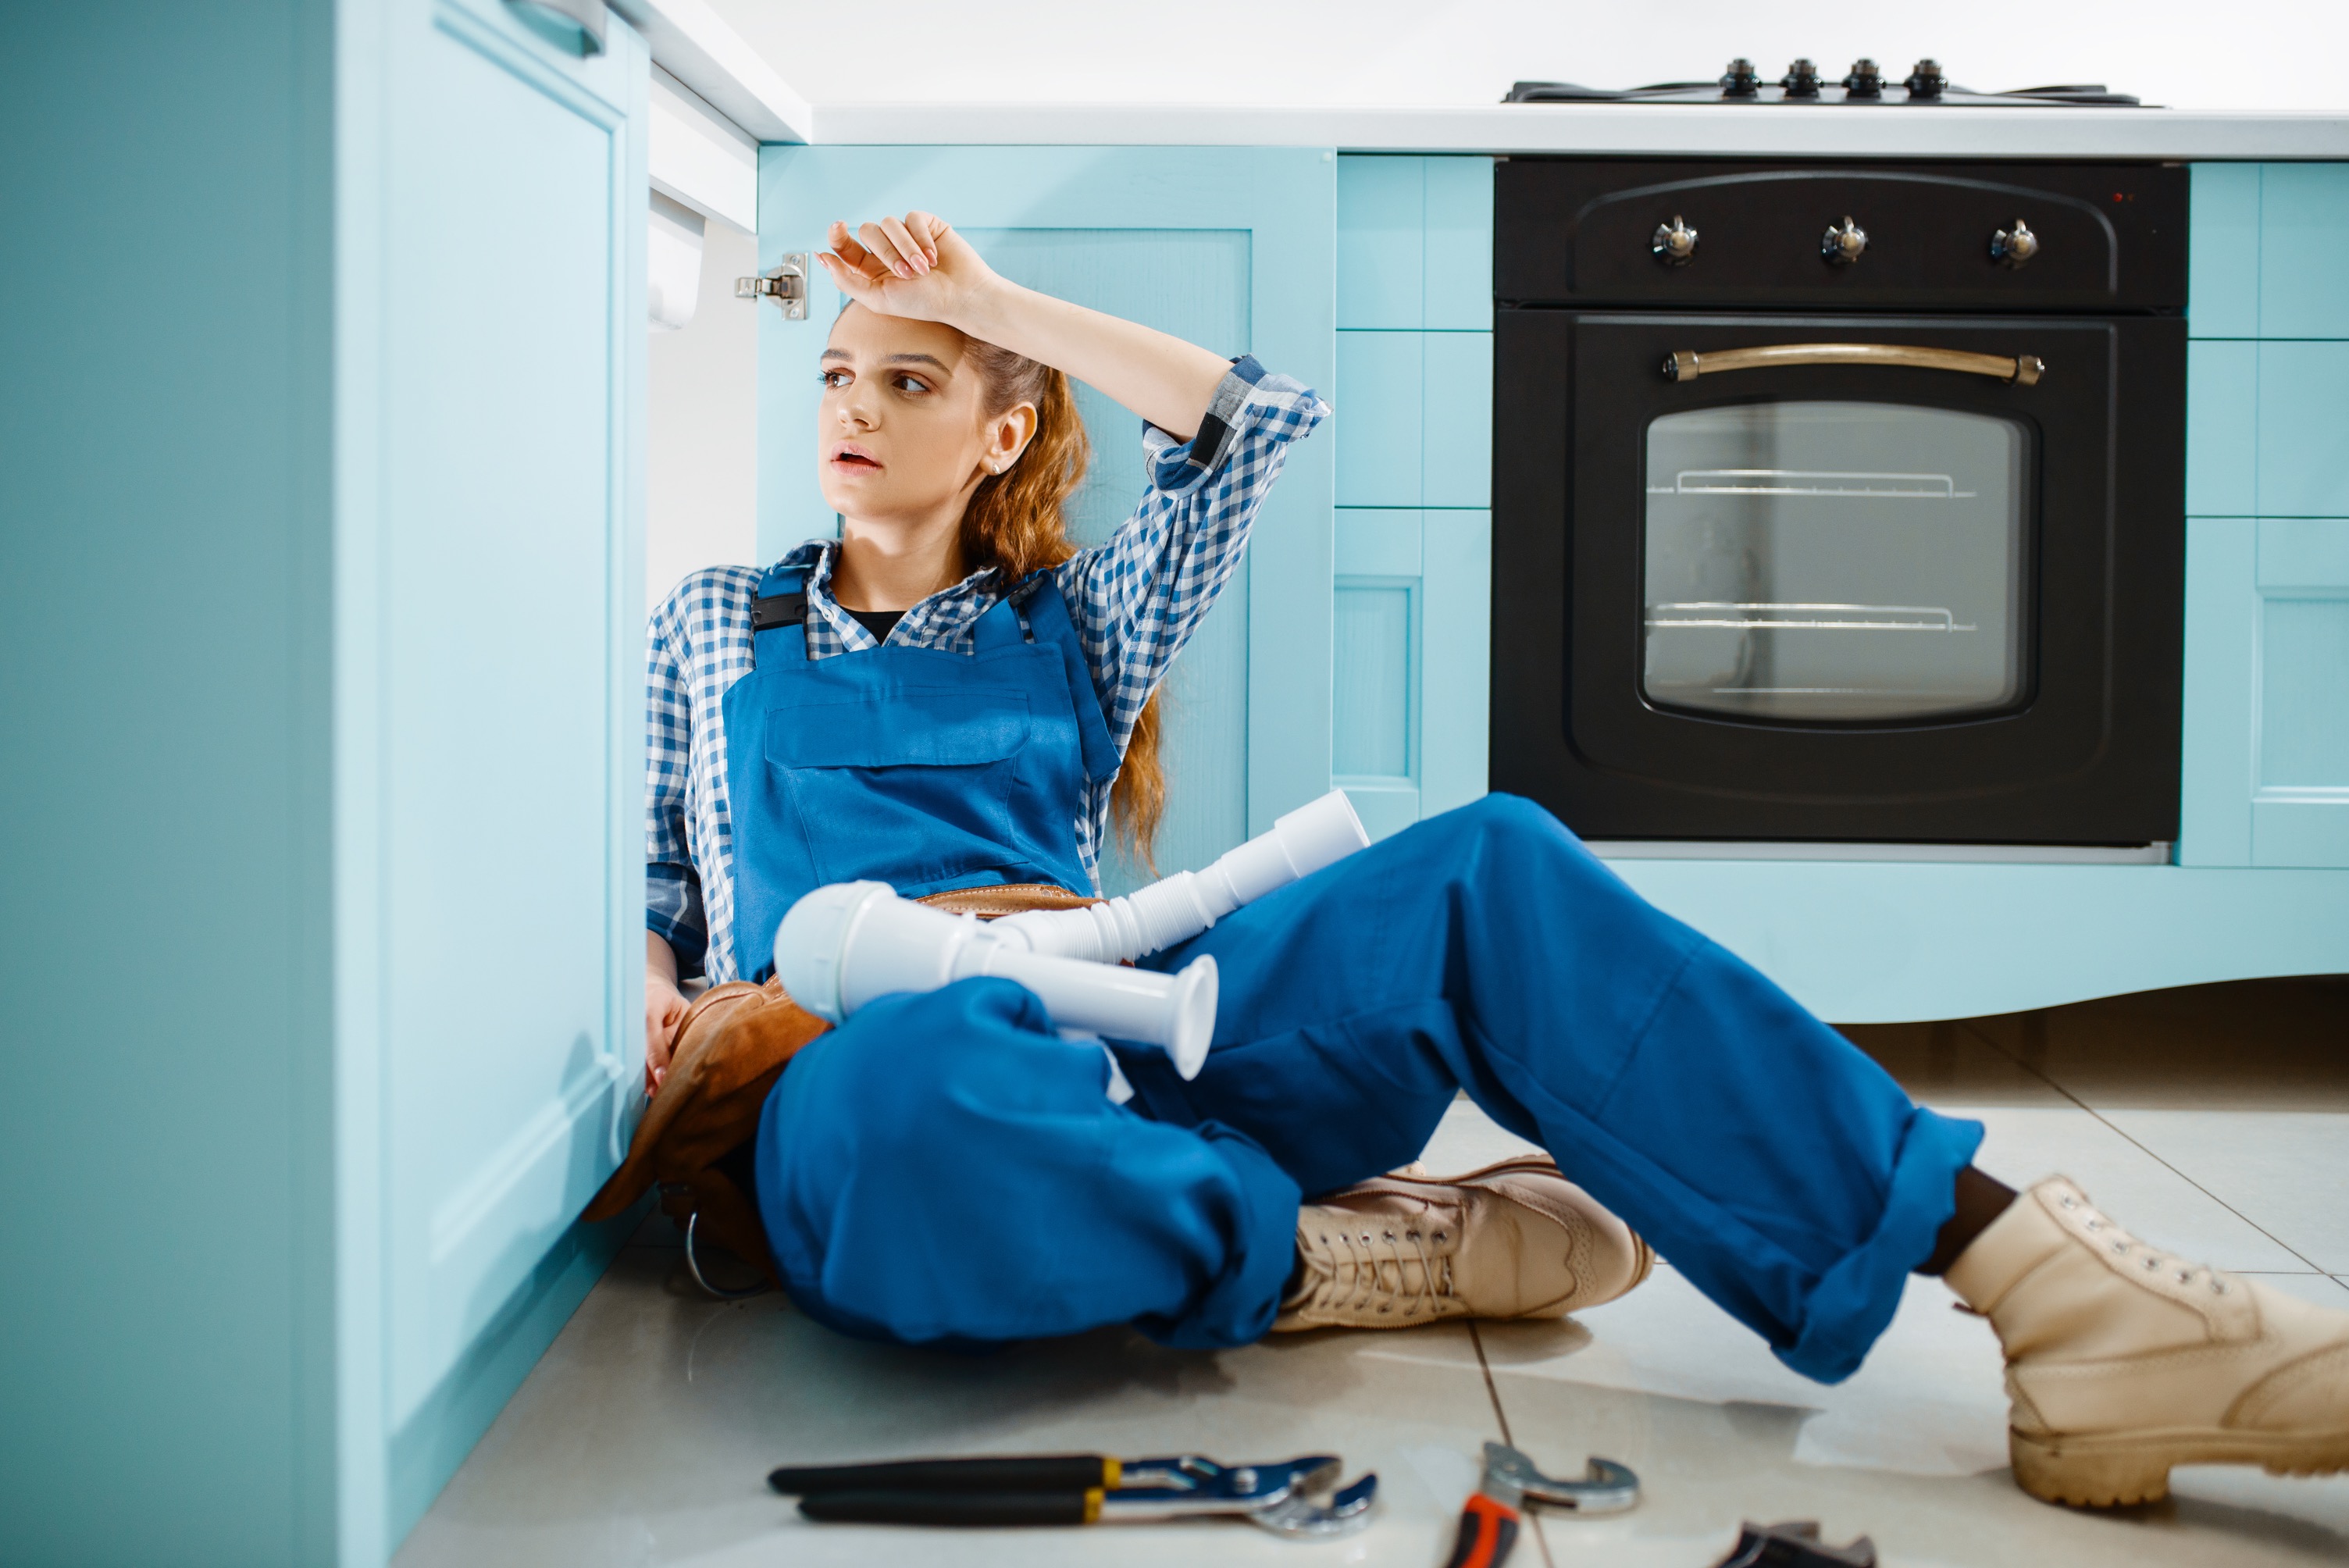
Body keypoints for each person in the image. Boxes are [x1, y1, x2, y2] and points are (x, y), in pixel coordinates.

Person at [642, 211, 2349, 1510]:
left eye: (909, 377)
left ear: (1000, 431)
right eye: (839, 377)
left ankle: (2052, 1289)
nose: (853, 409)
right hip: (869, 1062)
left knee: (1490, 863)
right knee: (913, 1107)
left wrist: (1003, 311)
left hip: (1129, 1009)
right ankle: (1319, 1255)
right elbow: (648, 898)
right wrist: (659, 1001)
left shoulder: (1074, 622)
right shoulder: (714, 624)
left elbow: (1259, 420)